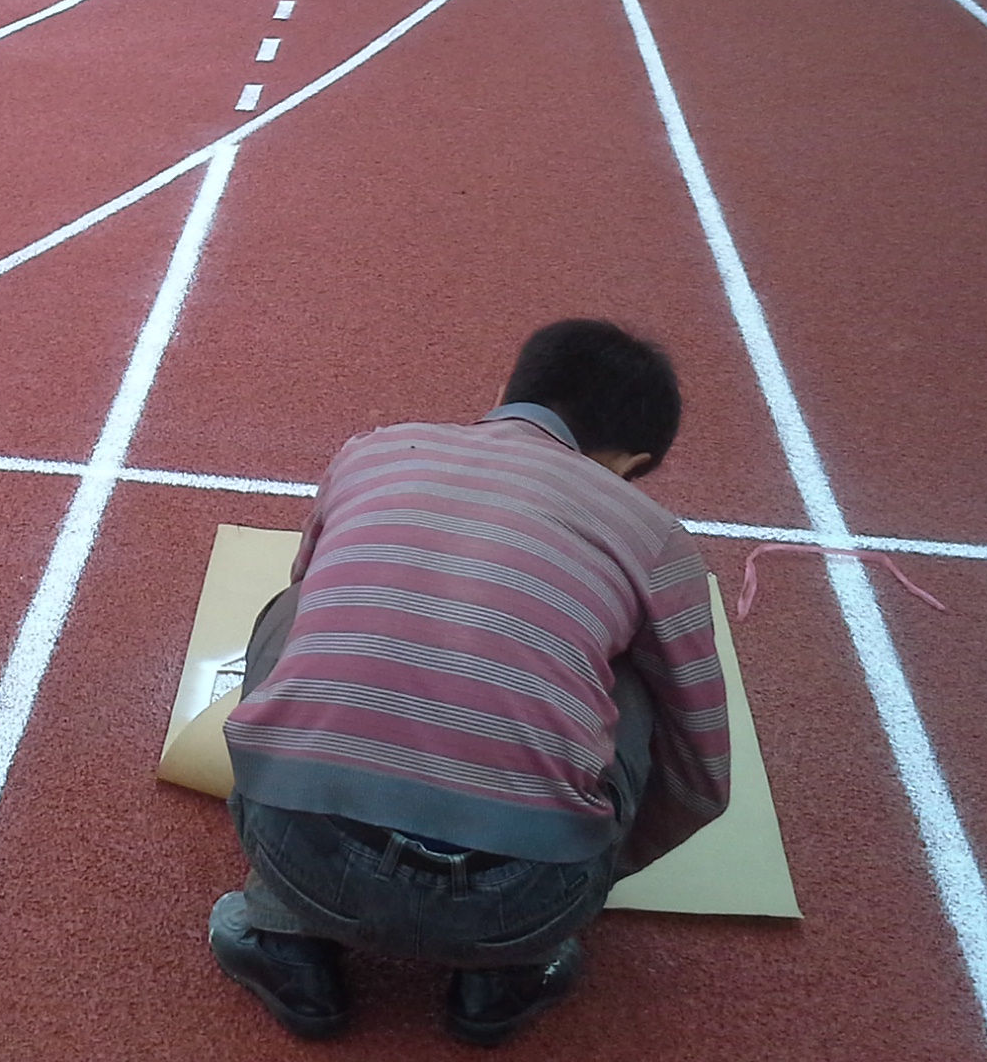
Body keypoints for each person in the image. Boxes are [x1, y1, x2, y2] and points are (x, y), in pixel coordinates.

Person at [211, 318, 730, 1049]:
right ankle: (505, 975)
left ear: (507, 393)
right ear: (629, 462)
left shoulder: (372, 453)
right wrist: (594, 873)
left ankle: (285, 939)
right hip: (523, 903)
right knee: (638, 680)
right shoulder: (655, 536)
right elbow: (700, 771)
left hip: (300, 859)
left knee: (296, 608)